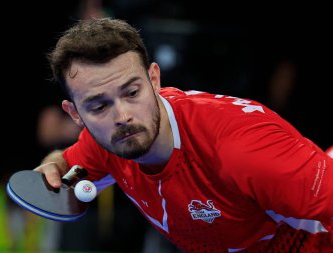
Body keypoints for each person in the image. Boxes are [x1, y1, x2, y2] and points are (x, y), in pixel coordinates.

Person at [29, 17, 332, 252]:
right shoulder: (108, 143)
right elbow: (68, 162)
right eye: (99, 106)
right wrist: (55, 165)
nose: (122, 116)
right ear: (75, 114)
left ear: (154, 78)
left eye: (132, 92)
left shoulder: (239, 148)